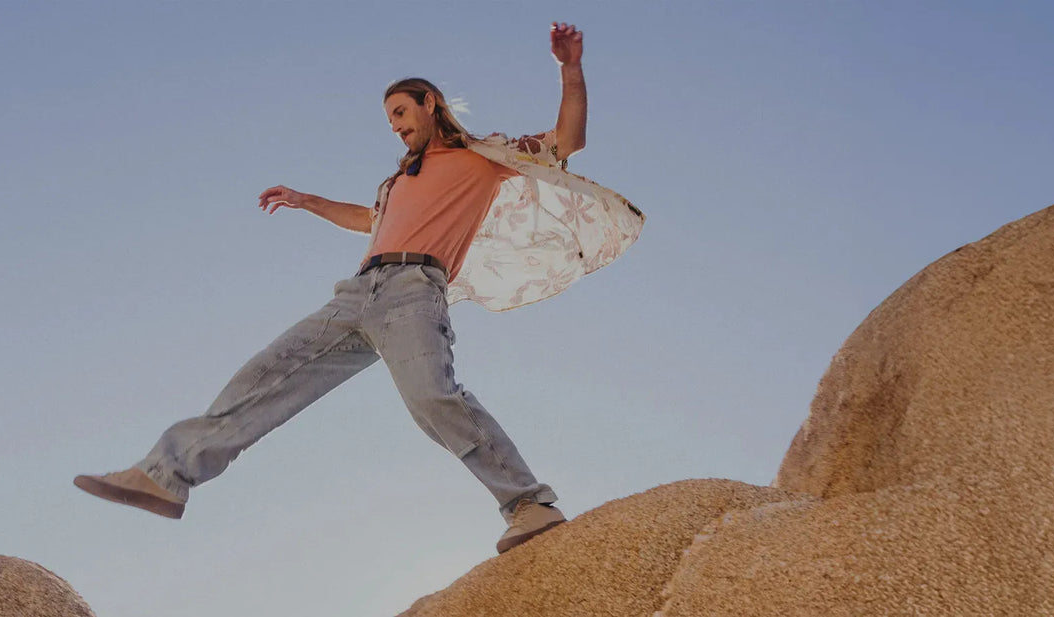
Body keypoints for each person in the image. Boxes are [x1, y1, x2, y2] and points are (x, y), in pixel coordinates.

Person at [74, 22, 643, 554]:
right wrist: (306, 201)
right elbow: (367, 219)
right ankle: (166, 475)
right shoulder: (397, 181)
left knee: (432, 398)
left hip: (415, 290)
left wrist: (570, 68)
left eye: (401, 111)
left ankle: (528, 504)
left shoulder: (482, 158)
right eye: (388, 118)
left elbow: (568, 140)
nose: (395, 124)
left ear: (430, 103)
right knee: (264, 377)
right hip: (355, 295)